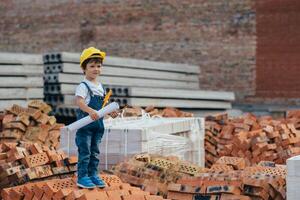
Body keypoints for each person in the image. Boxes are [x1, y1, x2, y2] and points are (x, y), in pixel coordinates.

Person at [75, 47, 117, 188]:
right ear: (84, 68)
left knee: (95, 152)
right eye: (92, 66)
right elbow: (79, 102)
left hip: (98, 126)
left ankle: (93, 174)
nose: (96, 69)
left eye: (98, 66)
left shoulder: (101, 87)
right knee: (85, 152)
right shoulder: (83, 85)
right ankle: (82, 177)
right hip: (85, 126)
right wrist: (89, 110)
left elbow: (103, 107)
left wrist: (110, 111)